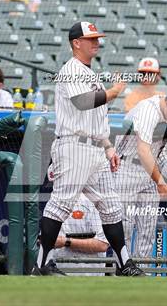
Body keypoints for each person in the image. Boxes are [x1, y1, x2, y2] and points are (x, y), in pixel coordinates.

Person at [32, 21, 144, 276]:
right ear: (76, 43)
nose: (97, 42)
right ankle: (40, 266)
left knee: (111, 207)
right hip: (73, 146)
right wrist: (114, 91)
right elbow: (83, 103)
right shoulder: (70, 69)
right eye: (91, 38)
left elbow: (96, 118)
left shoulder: (90, 73)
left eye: (97, 38)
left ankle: (124, 264)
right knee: (60, 205)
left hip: (95, 149)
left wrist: (107, 146)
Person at [114, 86, 167, 262]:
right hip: (127, 167)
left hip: (151, 170)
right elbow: (143, 150)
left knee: (148, 227)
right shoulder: (148, 110)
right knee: (125, 226)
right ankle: (122, 271)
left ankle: (141, 271)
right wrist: (160, 182)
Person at [45, 165, 109, 276]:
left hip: (90, 275)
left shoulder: (91, 201)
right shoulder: (51, 204)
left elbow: (102, 245)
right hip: (59, 275)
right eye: (55, 182)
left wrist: (66, 242)